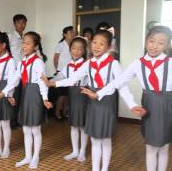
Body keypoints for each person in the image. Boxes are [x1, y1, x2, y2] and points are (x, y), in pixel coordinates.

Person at [81, 26, 172, 171]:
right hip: (149, 104)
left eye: (161, 43)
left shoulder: (170, 63)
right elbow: (119, 81)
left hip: (167, 105)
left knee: (164, 146)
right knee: (151, 146)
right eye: (151, 41)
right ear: (146, 41)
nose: (154, 46)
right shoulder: (138, 63)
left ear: (167, 45)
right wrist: (100, 94)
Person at [42, 30, 134, 171]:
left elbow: (122, 86)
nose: (97, 46)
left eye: (101, 44)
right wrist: (52, 83)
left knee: (105, 139)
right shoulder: (88, 64)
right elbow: (73, 78)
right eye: (95, 42)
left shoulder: (113, 64)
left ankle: (104, 169)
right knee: (95, 138)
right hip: (92, 102)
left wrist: (131, 105)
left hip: (106, 103)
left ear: (109, 47)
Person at [0, 31, 53, 169]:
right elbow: (14, 80)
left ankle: (35, 157)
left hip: (36, 95)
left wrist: (45, 99)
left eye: (28, 43)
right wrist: (4, 92)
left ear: (35, 46)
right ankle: (28, 156)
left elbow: (43, 82)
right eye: (23, 42)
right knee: (26, 129)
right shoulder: (21, 63)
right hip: (26, 94)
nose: (24, 45)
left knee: (35, 129)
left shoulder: (38, 62)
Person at [55, 37, 89, 162]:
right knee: (74, 125)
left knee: (82, 126)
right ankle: (75, 151)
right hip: (72, 95)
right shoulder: (68, 65)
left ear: (84, 51)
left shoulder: (86, 64)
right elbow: (61, 76)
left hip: (82, 95)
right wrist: (49, 81)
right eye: (74, 48)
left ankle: (82, 151)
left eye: (79, 49)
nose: (76, 51)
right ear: (70, 49)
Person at [7, 14, 27, 128]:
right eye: (19, 22)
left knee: (21, 96)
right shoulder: (9, 37)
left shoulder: (26, 38)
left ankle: (18, 120)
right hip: (13, 72)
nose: (21, 24)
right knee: (13, 96)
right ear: (14, 24)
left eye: (23, 22)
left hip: (24, 72)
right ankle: (11, 121)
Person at [53, 26, 74, 119]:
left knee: (67, 94)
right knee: (62, 94)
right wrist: (57, 70)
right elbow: (55, 58)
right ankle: (57, 112)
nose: (72, 34)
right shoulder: (60, 45)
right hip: (61, 72)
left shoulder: (74, 45)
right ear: (65, 34)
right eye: (70, 33)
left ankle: (65, 112)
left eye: (73, 32)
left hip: (71, 73)